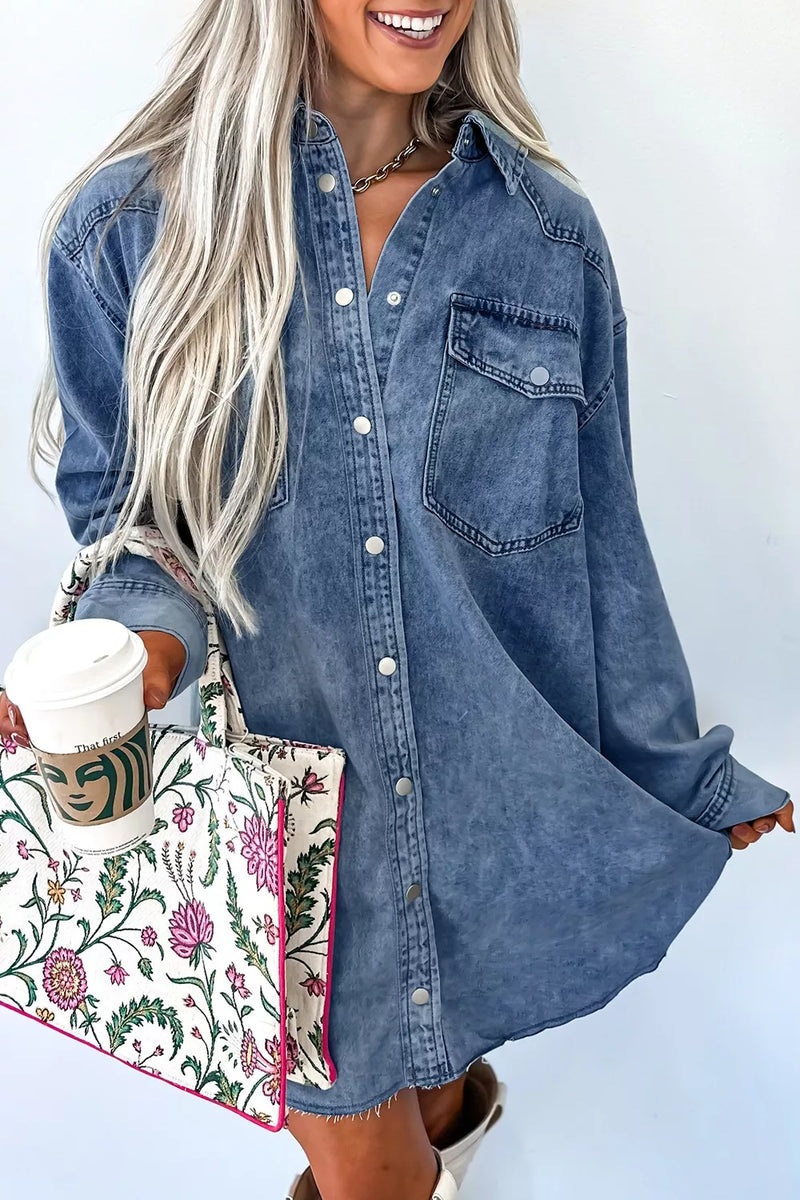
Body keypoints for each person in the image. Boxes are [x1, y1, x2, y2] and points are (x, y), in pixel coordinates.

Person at [1, 0, 794, 1197]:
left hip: (480, 824)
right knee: (377, 1170)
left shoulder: (544, 236)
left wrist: (670, 769)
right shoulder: (128, 230)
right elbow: (126, 522)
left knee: (432, 1105)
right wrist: (137, 647)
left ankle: (453, 1133)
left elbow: (601, 540)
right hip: (284, 854)